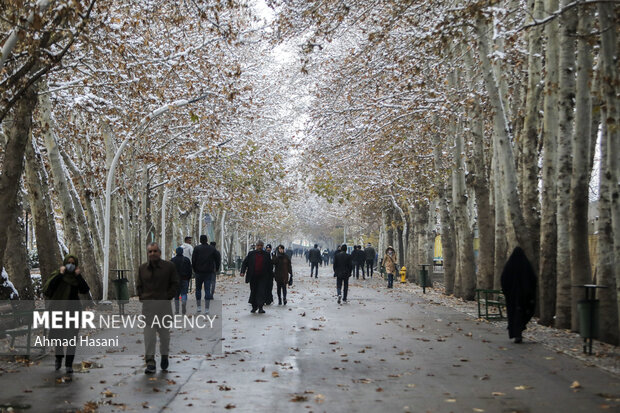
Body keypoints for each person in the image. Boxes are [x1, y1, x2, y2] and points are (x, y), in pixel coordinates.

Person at [42, 254, 90, 374]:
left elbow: (84, 289)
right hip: (58, 311)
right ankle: (58, 358)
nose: (70, 265)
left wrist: (78, 276)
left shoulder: (76, 277)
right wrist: (60, 274)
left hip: (74, 311)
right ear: (64, 263)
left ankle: (69, 364)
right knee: (58, 337)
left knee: (72, 339)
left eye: (73, 263)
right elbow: (48, 289)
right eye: (69, 262)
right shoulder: (57, 274)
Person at [137, 242, 179, 374]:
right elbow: (138, 285)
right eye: (150, 251)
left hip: (164, 308)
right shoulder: (142, 268)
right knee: (149, 337)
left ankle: (164, 356)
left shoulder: (169, 267)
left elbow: (175, 283)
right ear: (147, 253)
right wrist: (142, 296)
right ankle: (150, 362)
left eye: (155, 251)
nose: (152, 253)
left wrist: (168, 297)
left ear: (159, 253)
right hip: (148, 309)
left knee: (164, 336)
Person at [500, 247, 537, 343]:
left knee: (514, 314)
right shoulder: (526, 266)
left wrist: (506, 291)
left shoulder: (509, 266)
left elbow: (504, 279)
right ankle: (518, 331)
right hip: (525, 296)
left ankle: (515, 331)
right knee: (523, 313)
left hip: (512, 296)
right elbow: (533, 279)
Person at [240, 240, 273, 313]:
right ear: (256, 246)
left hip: (263, 277)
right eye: (258, 245)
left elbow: (270, 266)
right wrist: (242, 272)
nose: (259, 247)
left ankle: (260, 307)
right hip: (253, 276)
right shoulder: (251, 254)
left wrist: (271, 276)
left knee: (261, 292)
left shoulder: (266, 255)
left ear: (263, 246)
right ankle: (254, 307)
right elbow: (245, 263)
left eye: (261, 245)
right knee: (254, 291)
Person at [192, 235, 221, 314]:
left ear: (200, 240)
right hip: (208, 272)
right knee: (207, 289)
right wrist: (217, 268)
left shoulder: (197, 248)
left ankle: (198, 307)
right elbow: (217, 258)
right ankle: (207, 308)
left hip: (198, 272)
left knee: (198, 289)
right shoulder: (212, 249)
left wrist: (194, 269)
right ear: (207, 240)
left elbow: (193, 260)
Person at [171, 247, 192, 315]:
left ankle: (177, 310)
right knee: (184, 293)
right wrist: (188, 278)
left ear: (176, 252)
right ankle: (183, 305)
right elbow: (190, 270)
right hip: (184, 279)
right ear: (182, 252)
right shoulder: (186, 260)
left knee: (176, 295)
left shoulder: (172, 260)